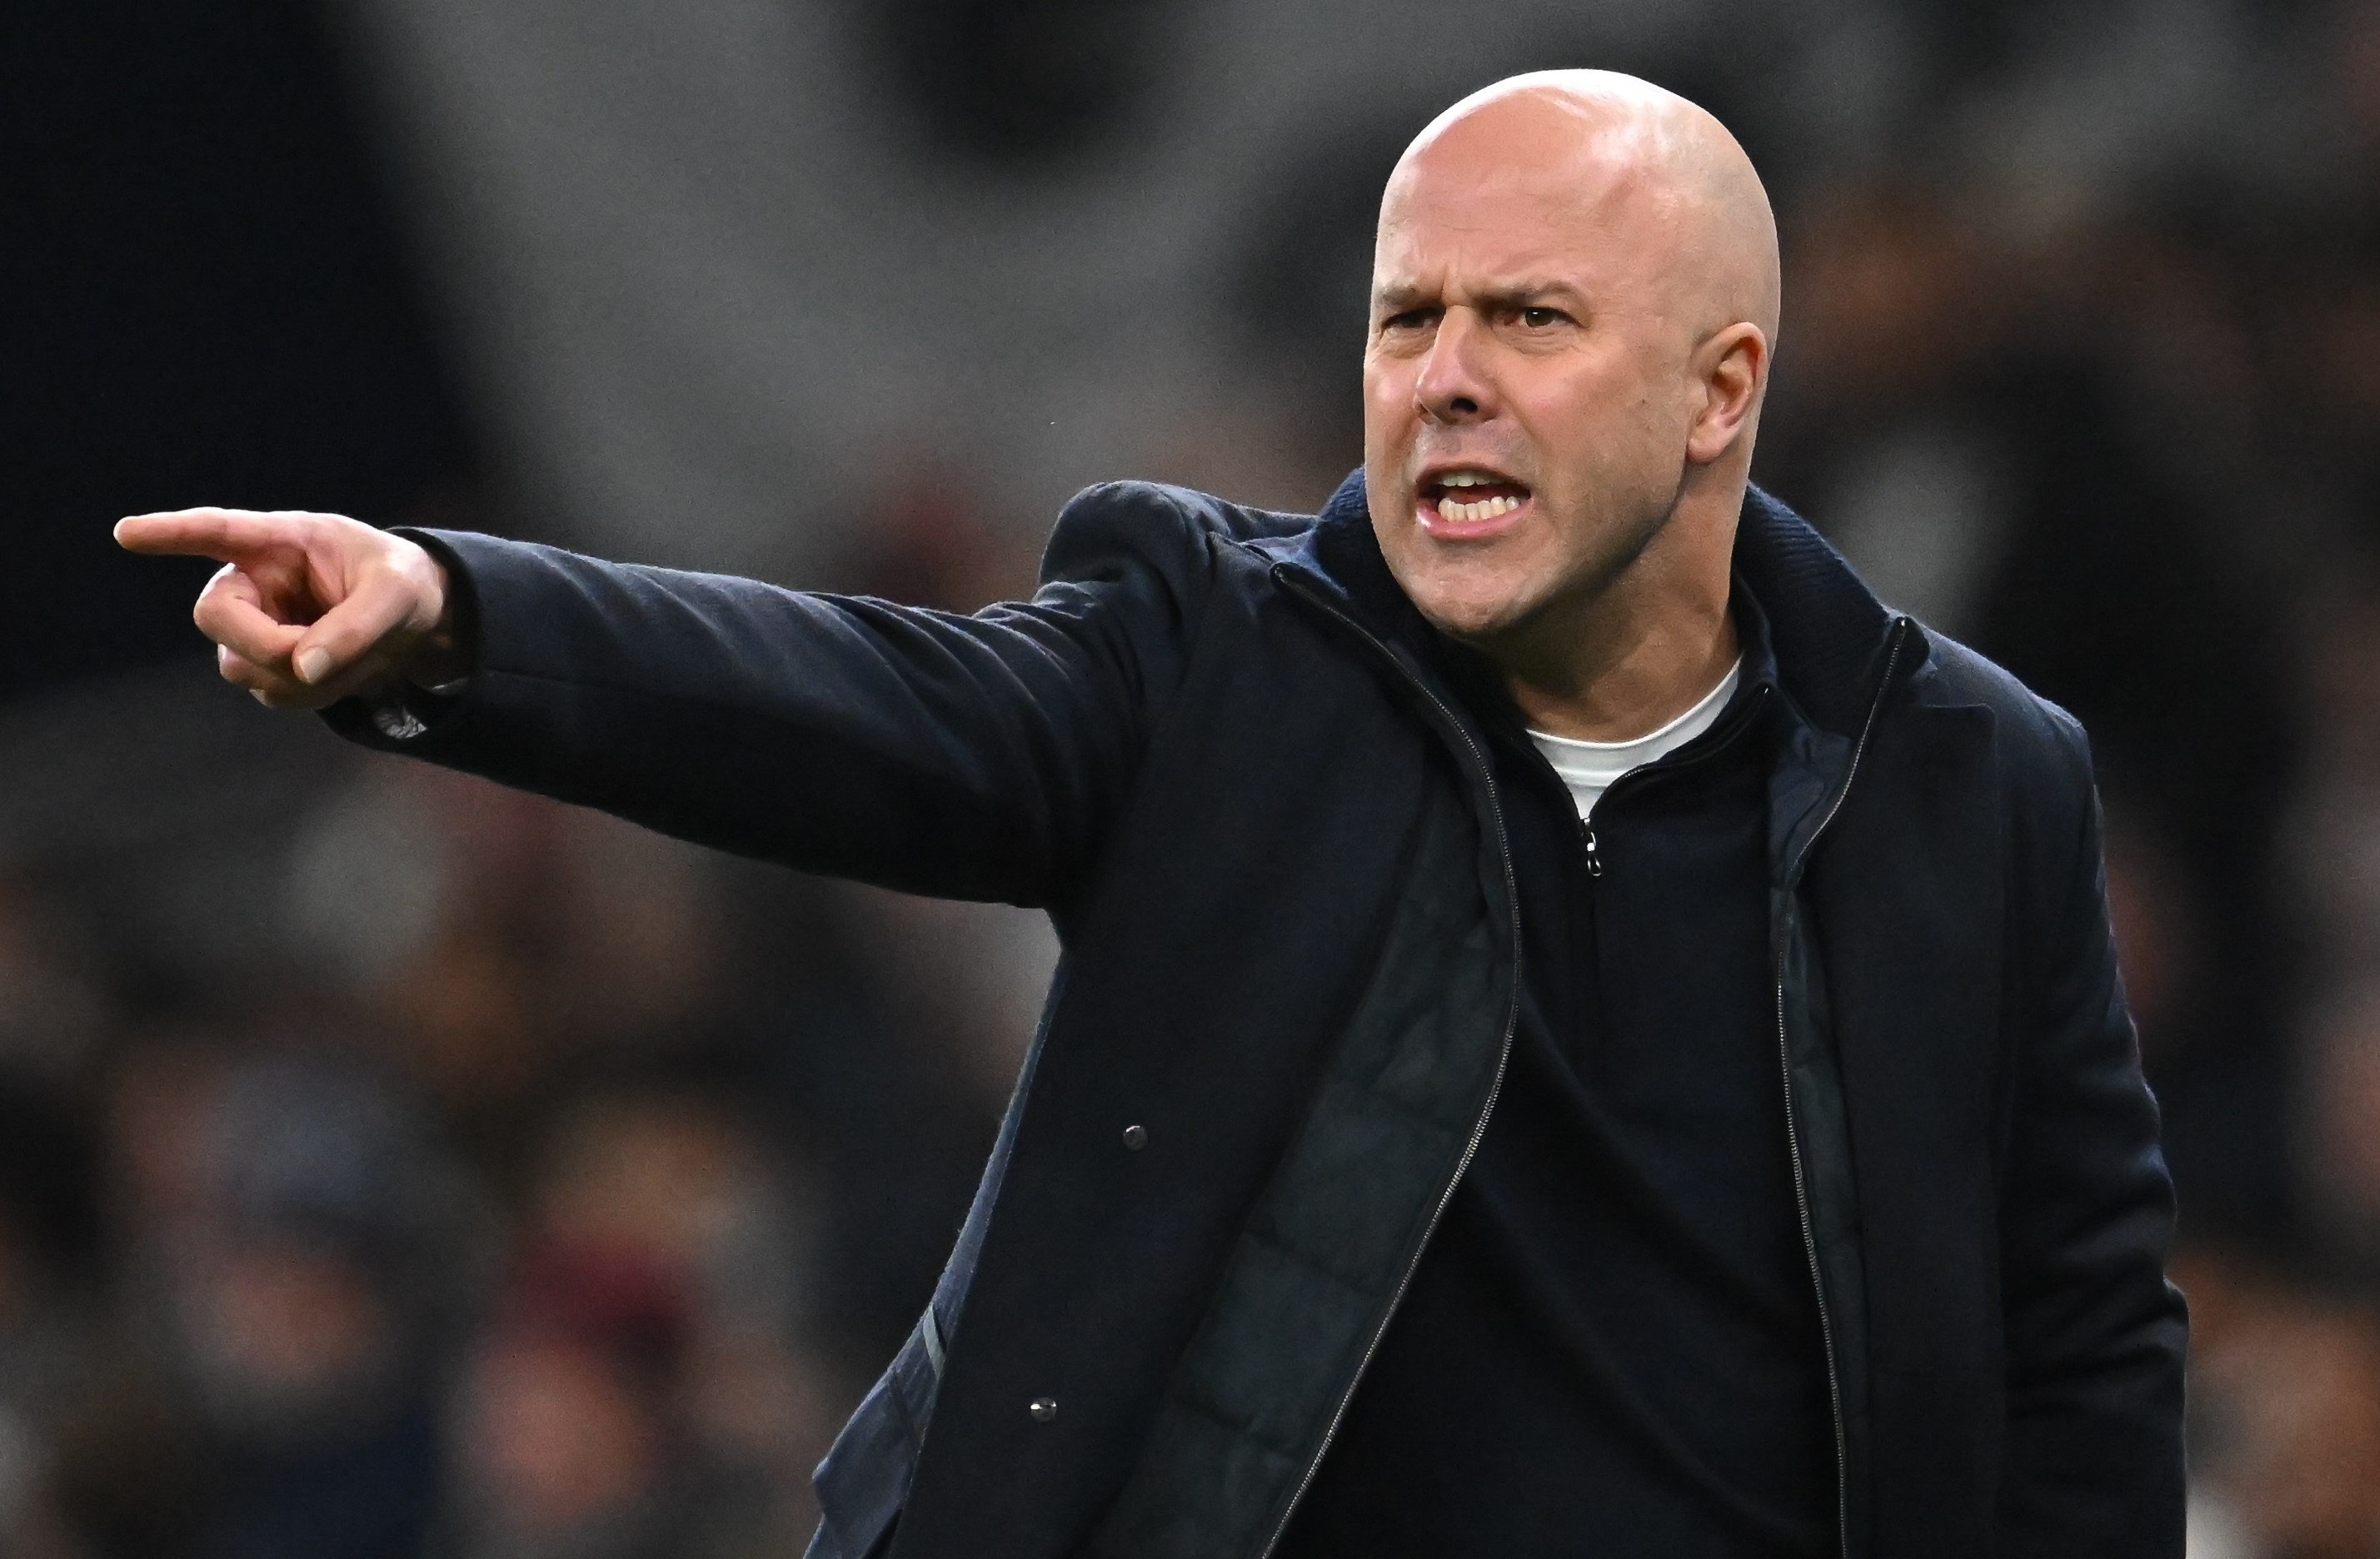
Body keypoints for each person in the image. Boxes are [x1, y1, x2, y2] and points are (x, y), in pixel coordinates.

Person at [117, 70, 2184, 1559]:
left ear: (1720, 387)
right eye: (1407, 318)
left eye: (1529, 319)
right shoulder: (1226, 658)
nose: (1441, 378)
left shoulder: (1964, 782)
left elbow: (2075, 1334)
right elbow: (867, 706)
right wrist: (457, 613)